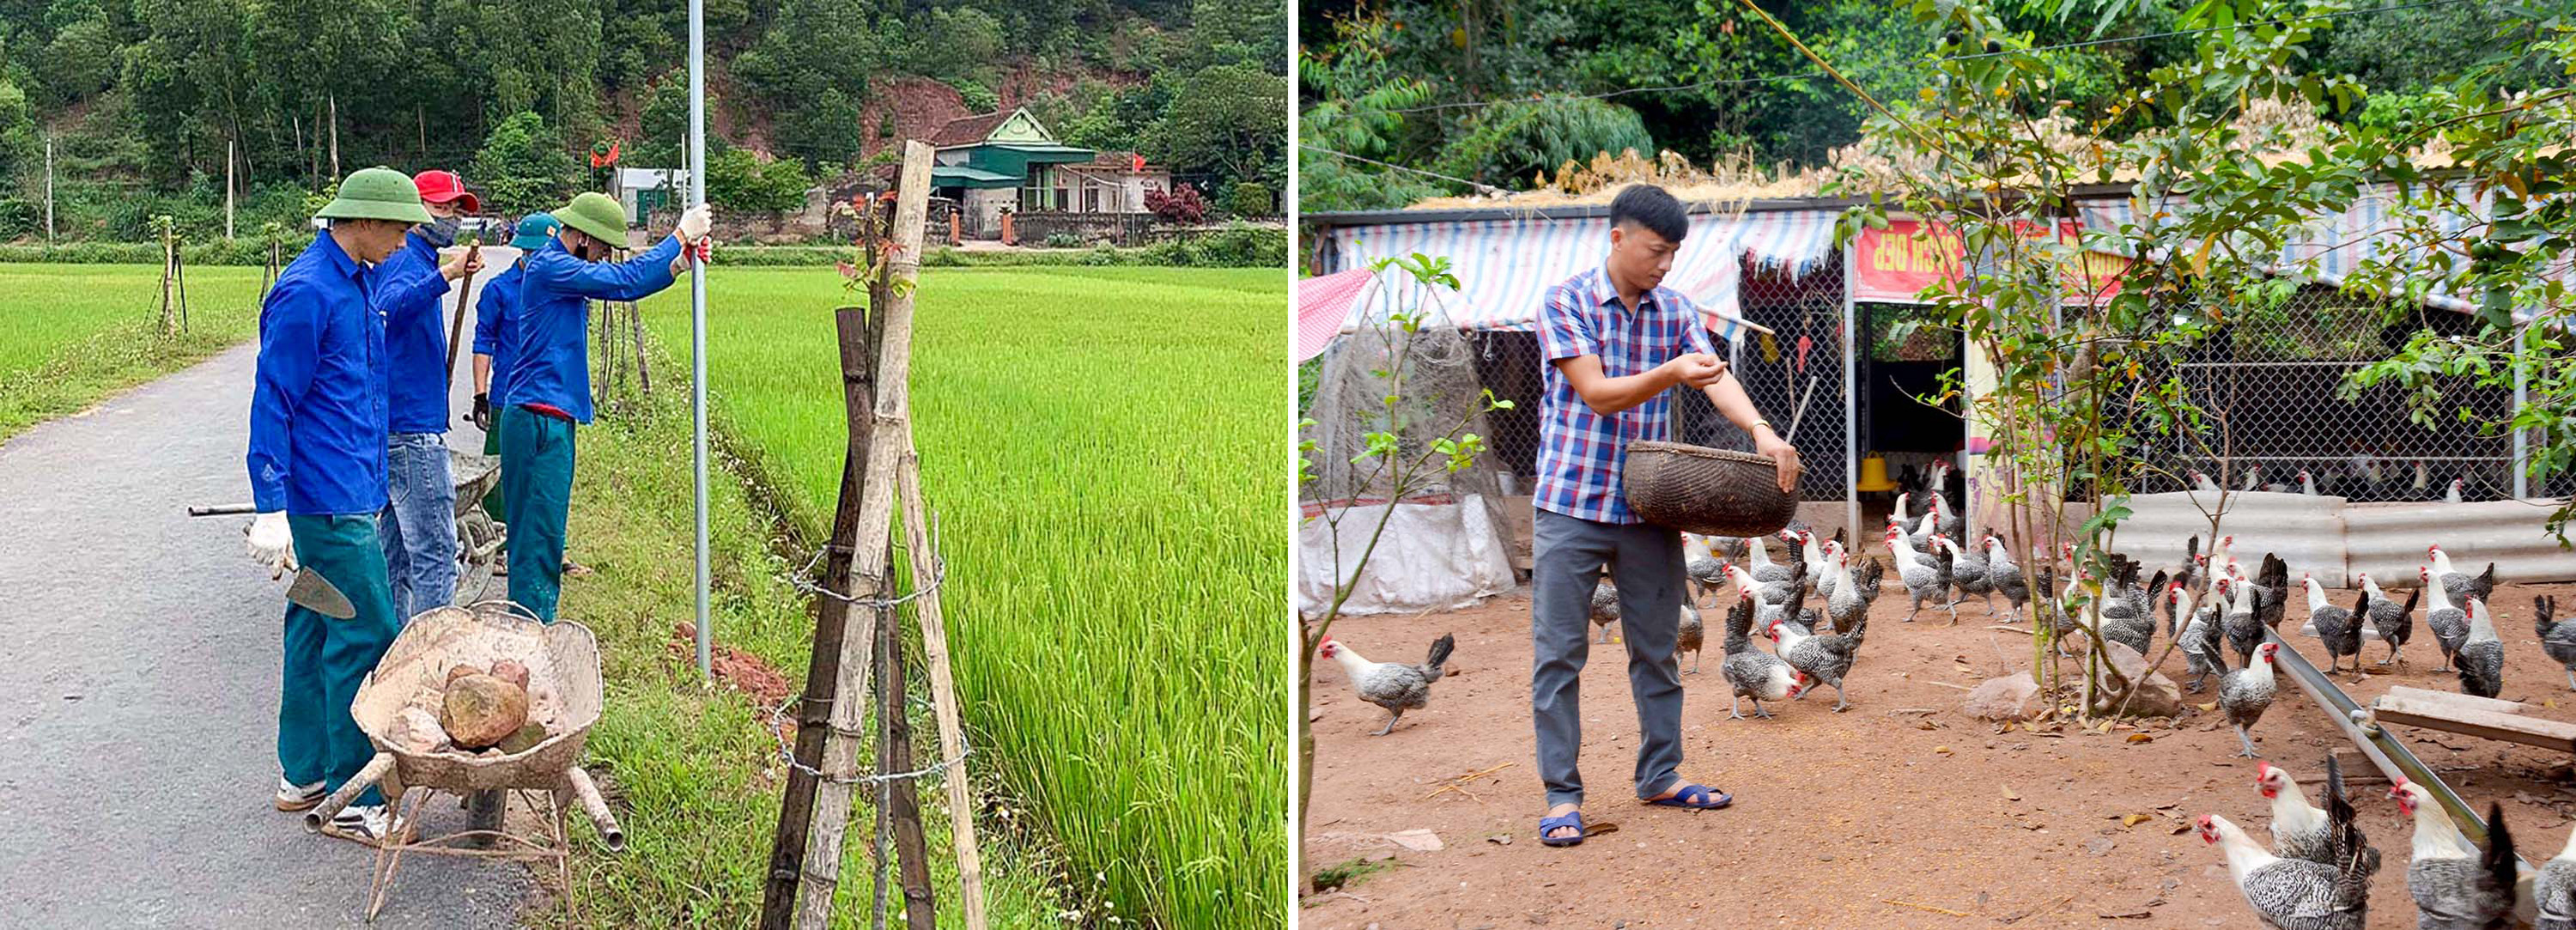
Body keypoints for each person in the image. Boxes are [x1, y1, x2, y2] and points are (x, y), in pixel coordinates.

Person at [1528, 184, 1801, 847]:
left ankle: (1660, 773)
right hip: (1569, 504)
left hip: (1649, 508)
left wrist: (1763, 432)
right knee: (1559, 656)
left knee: (1659, 651)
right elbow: (1596, 393)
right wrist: (1672, 370)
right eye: (1655, 251)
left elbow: (1716, 375)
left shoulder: (1674, 308)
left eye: (1673, 254)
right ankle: (1563, 796)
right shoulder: (1565, 302)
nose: (1664, 265)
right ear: (1617, 237)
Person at [243, 167, 433, 844]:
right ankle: (354, 795)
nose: (409, 240)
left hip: (351, 484)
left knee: (313, 625)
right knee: (366, 629)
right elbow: (274, 400)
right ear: (364, 223)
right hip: (328, 500)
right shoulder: (307, 291)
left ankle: (304, 774)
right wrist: (270, 505)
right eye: (402, 227)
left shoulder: (356, 280)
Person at [497, 192, 711, 621]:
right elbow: (623, 281)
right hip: (538, 418)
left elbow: (628, 285)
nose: (602, 257)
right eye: (601, 247)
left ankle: (533, 625)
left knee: (545, 535)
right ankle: (529, 630)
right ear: (582, 239)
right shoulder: (551, 265)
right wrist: (678, 236)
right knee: (537, 539)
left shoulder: (562, 269)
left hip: (550, 416)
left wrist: (678, 262)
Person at [371, 169, 486, 620]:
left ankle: (392, 645)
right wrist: (447, 275)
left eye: (455, 209)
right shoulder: (404, 259)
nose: (452, 218)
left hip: (407, 423)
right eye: (441, 208)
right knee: (437, 552)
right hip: (412, 430)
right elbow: (388, 308)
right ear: (413, 211)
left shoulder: (418, 256)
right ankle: (434, 651)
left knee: (396, 554)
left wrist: (443, 271)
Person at [467, 212, 565, 572]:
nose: (540, 259)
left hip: (553, 396)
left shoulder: (562, 286)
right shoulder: (499, 290)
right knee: (500, 475)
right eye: (534, 252)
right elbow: (483, 343)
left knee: (546, 477)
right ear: (521, 251)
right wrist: (481, 395)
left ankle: (547, 548)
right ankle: (497, 545)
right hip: (508, 395)